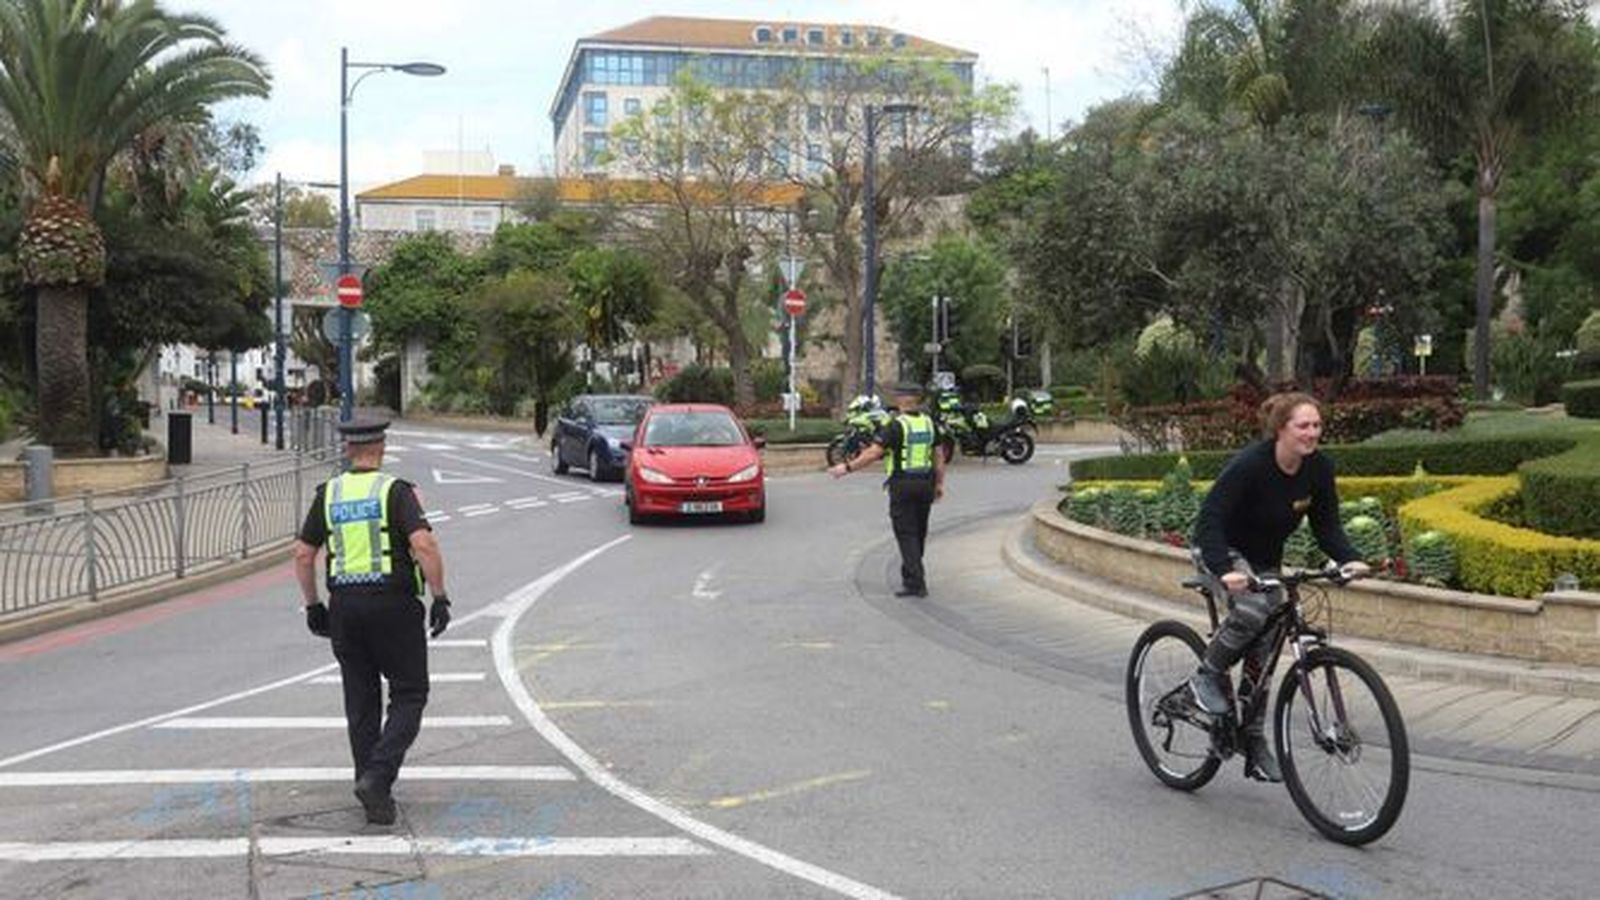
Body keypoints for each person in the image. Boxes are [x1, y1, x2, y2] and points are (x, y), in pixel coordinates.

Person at [1187, 392, 1370, 783]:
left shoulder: (1319, 469)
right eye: (1303, 425)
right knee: (1253, 610)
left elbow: (1327, 527)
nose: (1312, 433)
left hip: (1263, 560)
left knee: (1268, 641)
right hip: (1221, 550)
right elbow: (1210, 521)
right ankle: (1206, 674)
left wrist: (1349, 558)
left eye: (1317, 425)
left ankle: (1252, 738)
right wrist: (1223, 570)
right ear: (1281, 429)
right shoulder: (1251, 465)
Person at [293, 415, 452, 826]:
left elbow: (303, 554)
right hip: (393, 605)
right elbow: (424, 544)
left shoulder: (328, 494)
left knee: (360, 702)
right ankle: (378, 779)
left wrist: (313, 605)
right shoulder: (394, 491)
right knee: (410, 693)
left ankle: (371, 789)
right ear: (381, 448)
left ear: (348, 450)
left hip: (345, 607)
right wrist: (439, 597)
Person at [829, 382, 946, 597]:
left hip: (903, 485)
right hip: (925, 484)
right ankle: (912, 576)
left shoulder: (895, 426)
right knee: (919, 532)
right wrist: (939, 484)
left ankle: (916, 582)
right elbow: (938, 456)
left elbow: (873, 454)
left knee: (906, 533)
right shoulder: (930, 424)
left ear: (902, 400)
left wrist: (846, 467)